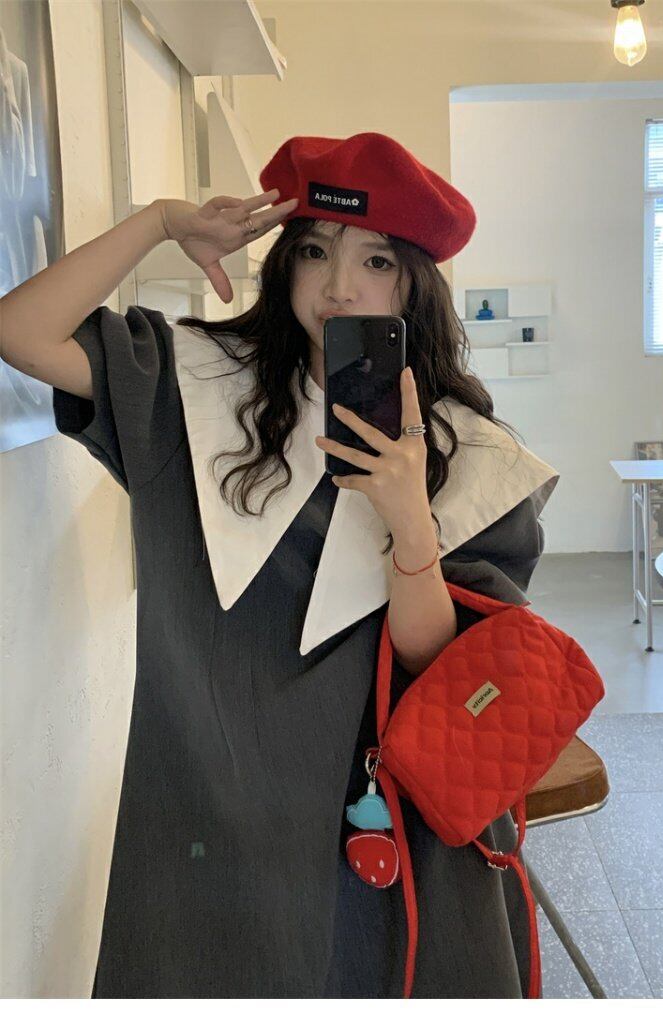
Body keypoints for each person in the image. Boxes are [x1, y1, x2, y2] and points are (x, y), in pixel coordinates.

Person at [0, 131, 560, 998]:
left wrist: (410, 524)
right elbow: (21, 331)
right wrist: (159, 223)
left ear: (414, 282)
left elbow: (439, 665)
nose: (339, 286)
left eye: (376, 260)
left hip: (385, 823)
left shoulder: (472, 456)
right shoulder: (194, 386)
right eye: (314, 251)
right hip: (211, 820)